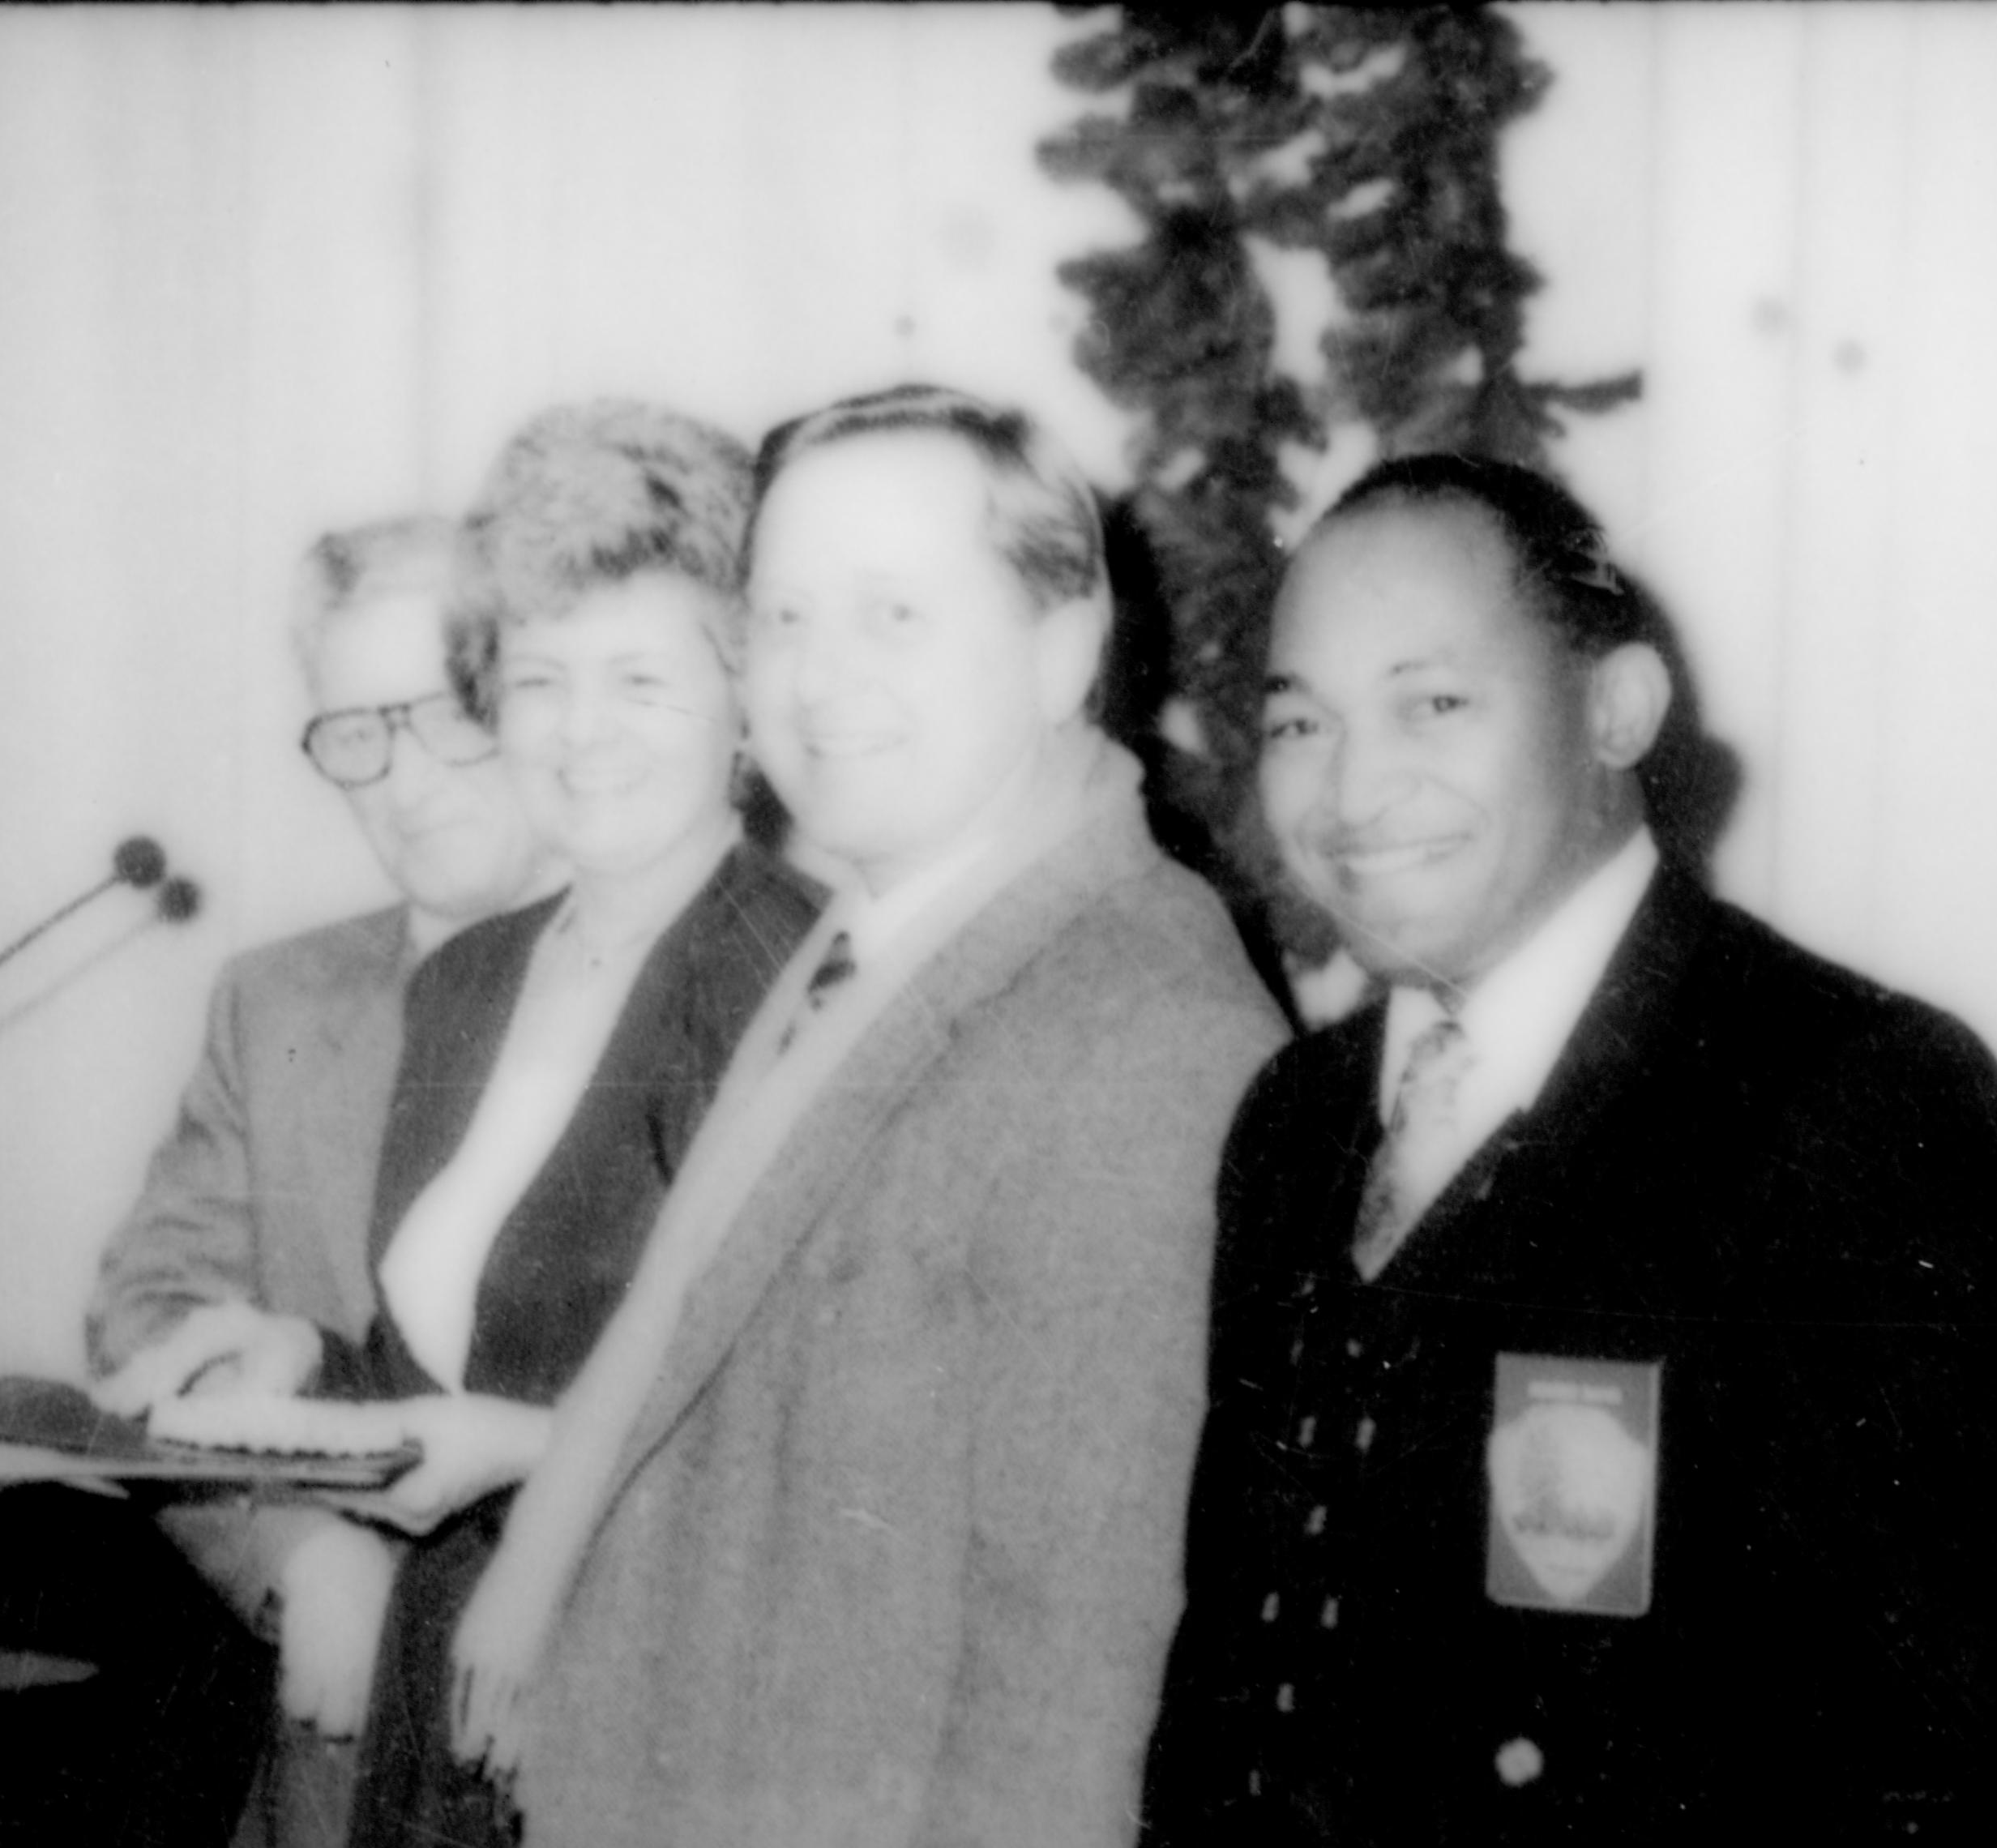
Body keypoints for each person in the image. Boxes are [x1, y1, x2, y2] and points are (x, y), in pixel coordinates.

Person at [1139, 454, 1997, 1844]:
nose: (1354, 792)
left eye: (1433, 704)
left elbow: (1968, 1772)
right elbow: (1237, 1678)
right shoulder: (1294, 1126)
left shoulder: (1850, 1107)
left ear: (1615, 709)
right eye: (1302, 723)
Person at [446, 385, 1288, 1847]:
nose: (817, 681)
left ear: (1063, 648)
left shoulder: (1140, 1032)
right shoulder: (878, 933)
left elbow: (1072, 1705)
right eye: (782, 619)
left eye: (892, 616)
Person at [297, 400, 824, 1848]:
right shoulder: (469, 979)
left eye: (641, 680)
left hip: (655, 1724)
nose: (581, 734)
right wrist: (301, 1363)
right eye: (539, 680)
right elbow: (449, 1356)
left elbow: (824, 1442)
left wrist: (531, 1451)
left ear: (741, 701)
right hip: (440, 1708)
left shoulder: (798, 983)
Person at [87, 514, 558, 1845]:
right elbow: (154, 1314)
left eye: (447, 714)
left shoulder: (719, 984)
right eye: (355, 730)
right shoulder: (275, 1002)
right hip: (348, 1792)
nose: (402, 780)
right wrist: (299, 1551)